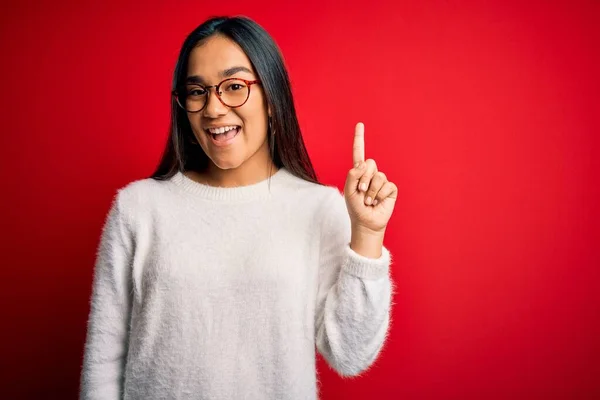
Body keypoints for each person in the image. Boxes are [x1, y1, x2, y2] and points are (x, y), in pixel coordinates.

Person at [80, 15, 398, 400]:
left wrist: (367, 235)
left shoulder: (318, 207)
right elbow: (103, 361)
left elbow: (350, 355)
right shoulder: (138, 208)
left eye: (234, 87)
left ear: (271, 98)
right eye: (197, 91)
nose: (213, 108)